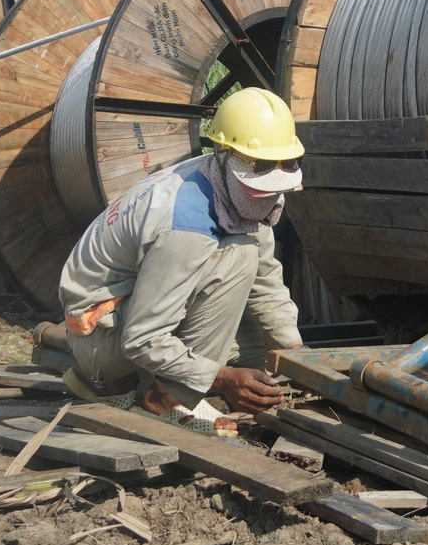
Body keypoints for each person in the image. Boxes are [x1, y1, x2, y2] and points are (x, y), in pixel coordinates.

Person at [58, 88, 305, 420]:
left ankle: (150, 380)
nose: (270, 197)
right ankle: (167, 397)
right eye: (261, 180)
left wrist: (297, 357)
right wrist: (224, 378)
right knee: (237, 258)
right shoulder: (183, 224)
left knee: (261, 358)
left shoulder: (226, 186)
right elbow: (141, 338)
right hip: (103, 339)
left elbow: (266, 283)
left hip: (127, 312)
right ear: (226, 155)